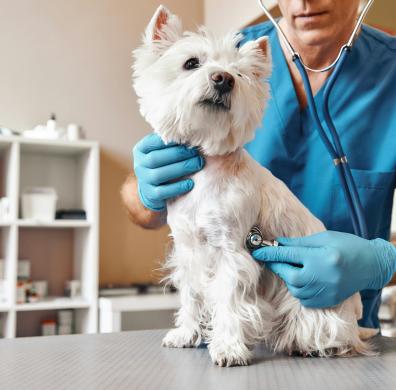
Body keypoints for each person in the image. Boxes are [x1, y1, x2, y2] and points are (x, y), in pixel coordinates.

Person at [121, 0, 396, 329]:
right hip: (227, 344)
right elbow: (142, 209)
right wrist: (144, 191)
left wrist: (383, 262)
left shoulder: (390, 72)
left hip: (332, 329)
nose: (303, 1)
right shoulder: (224, 56)